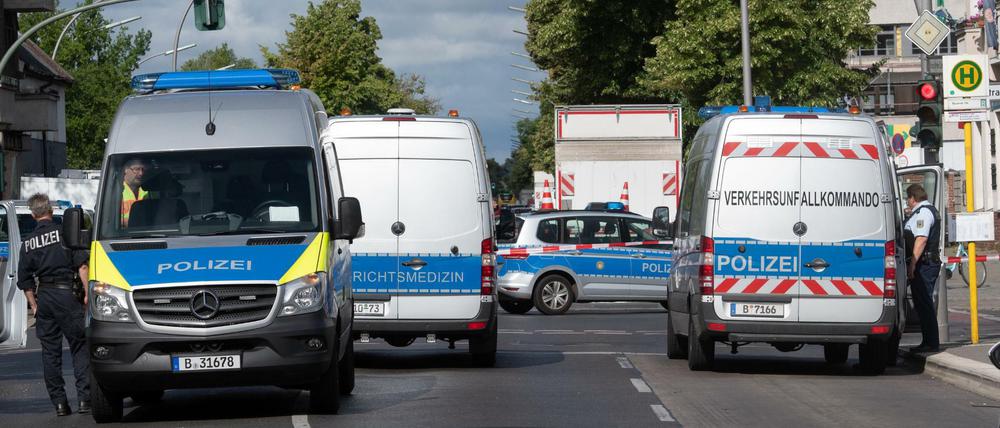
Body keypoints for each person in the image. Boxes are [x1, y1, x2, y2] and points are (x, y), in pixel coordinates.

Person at [17, 193, 91, 416]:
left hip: (45, 297)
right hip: (67, 294)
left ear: (33, 215)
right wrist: (87, 294)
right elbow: (82, 266)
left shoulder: (28, 243)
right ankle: (84, 400)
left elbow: (25, 281)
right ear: (50, 210)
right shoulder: (64, 234)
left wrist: (34, 305)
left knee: (50, 353)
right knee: (79, 346)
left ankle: (59, 404)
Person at [904, 184, 941, 353]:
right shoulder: (922, 211)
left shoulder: (924, 213)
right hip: (925, 263)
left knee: (924, 303)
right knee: (921, 303)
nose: (907, 201)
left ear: (913, 198)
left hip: (924, 264)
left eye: (908, 198)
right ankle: (928, 341)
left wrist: (912, 264)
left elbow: (921, 240)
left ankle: (931, 343)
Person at [121, 158, 148, 227]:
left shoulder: (149, 192)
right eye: (137, 169)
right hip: (123, 232)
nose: (141, 173)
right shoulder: (117, 191)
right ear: (126, 169)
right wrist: (124, 222)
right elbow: (106, 218)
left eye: (142, 169)